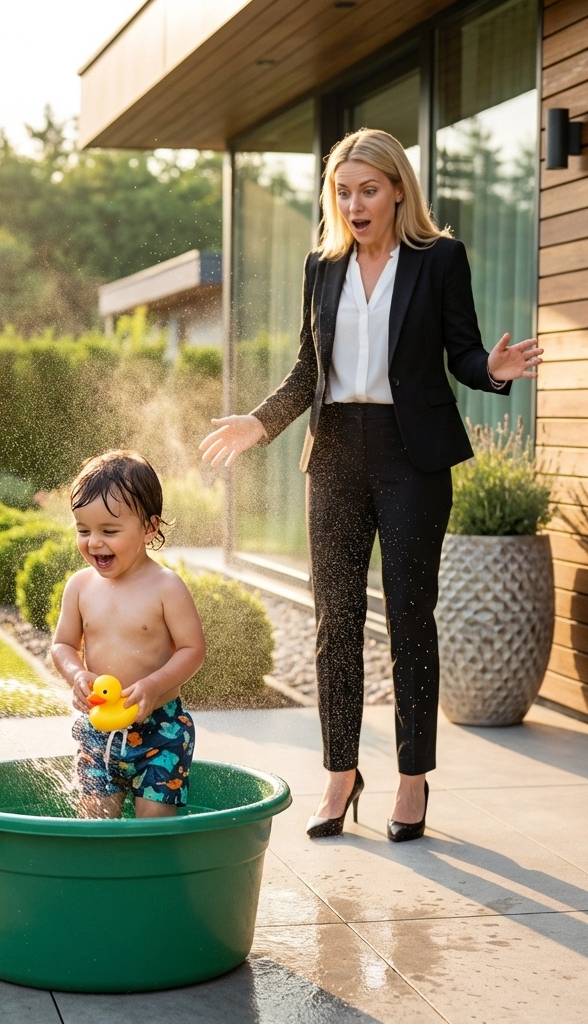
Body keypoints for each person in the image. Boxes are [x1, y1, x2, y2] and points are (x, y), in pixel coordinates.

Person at [199, 128, 543, 843]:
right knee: (336, 621)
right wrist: (259, 425)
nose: (355, 204)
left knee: (411, 618)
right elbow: (307, 371)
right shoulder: (321, 267)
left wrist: (495, 372)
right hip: (335, 456)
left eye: (368, 190)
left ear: (396, 192)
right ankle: (340, 772)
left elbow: (465, 351)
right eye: (343, 191)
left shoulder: (439, 259)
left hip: (412, 456)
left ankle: (412, 778)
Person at [51, 450, 207, 819]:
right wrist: (75, 674)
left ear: (149, 528)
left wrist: (153, 686)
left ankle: (150, 874)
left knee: (154, 825)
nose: (94, 542)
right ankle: (103, 875)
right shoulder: (80, 586)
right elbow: (62, 644)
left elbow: (192, 649)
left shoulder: (166, 586)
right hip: (98, 728)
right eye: (83, 530)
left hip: (161, 730)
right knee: (96, 822)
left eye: (109, 531)